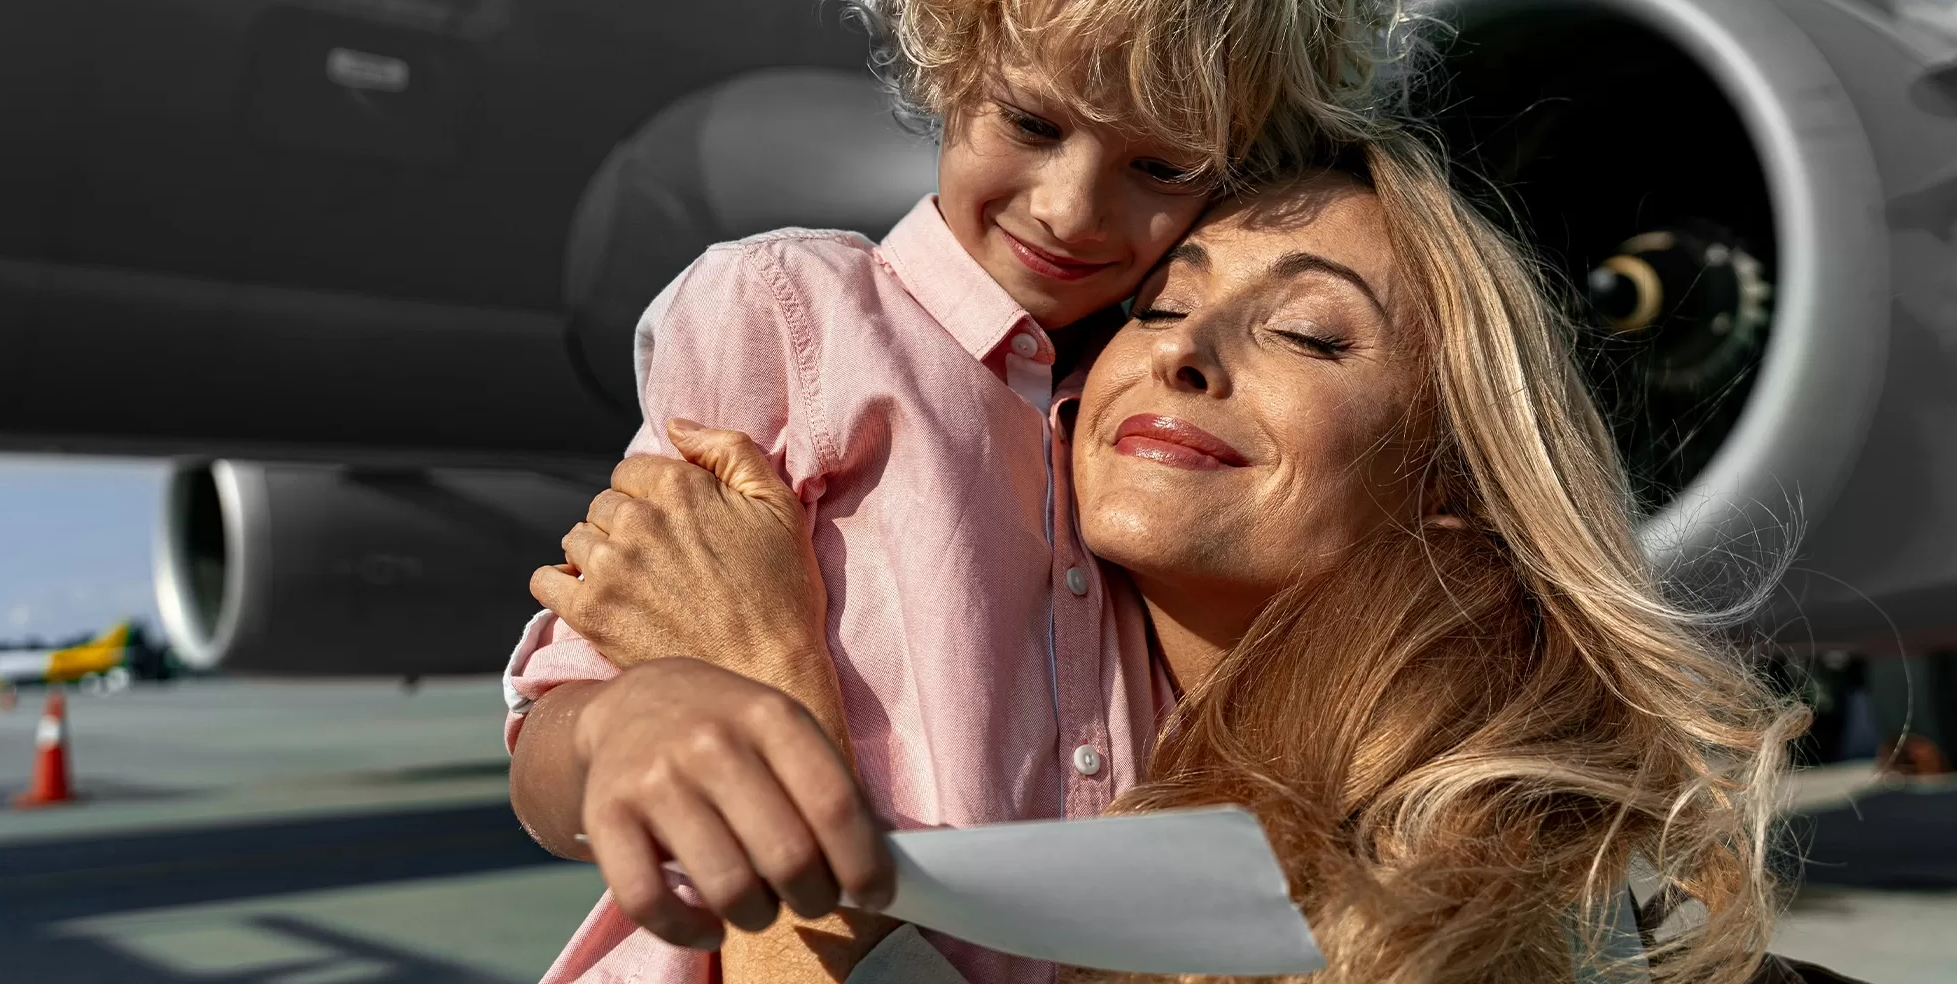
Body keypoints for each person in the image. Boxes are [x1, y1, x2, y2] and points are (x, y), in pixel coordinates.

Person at [523, 135, 1831, 984]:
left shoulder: (1517, 887)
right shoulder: (1122, 793)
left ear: (1450, 483)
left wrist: (769, 678)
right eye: (1157, 305)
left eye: (1314, 335)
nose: (1180, 350)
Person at [504, 0, 1414, 982]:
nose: (1073, 209)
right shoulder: (789, 310)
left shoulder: (1145, 411)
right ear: (947, 71)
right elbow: (560, 707)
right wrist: (626, 724)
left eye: (1160, 166)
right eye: (1031, 125)